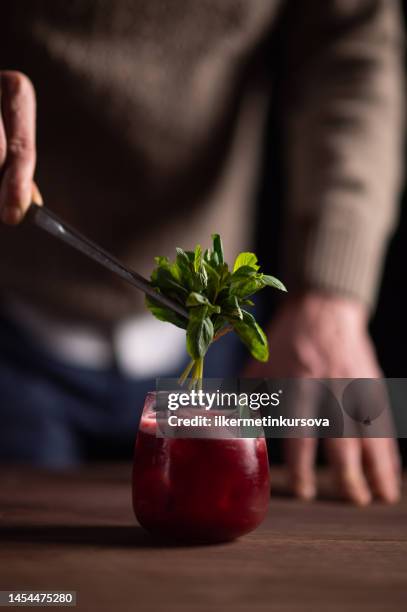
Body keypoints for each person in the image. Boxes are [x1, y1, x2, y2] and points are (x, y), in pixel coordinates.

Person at [0, 1, 404, 503]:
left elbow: (351, 44)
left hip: (218, 357)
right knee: (32, 572)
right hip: (14, 334)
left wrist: (332, 295)